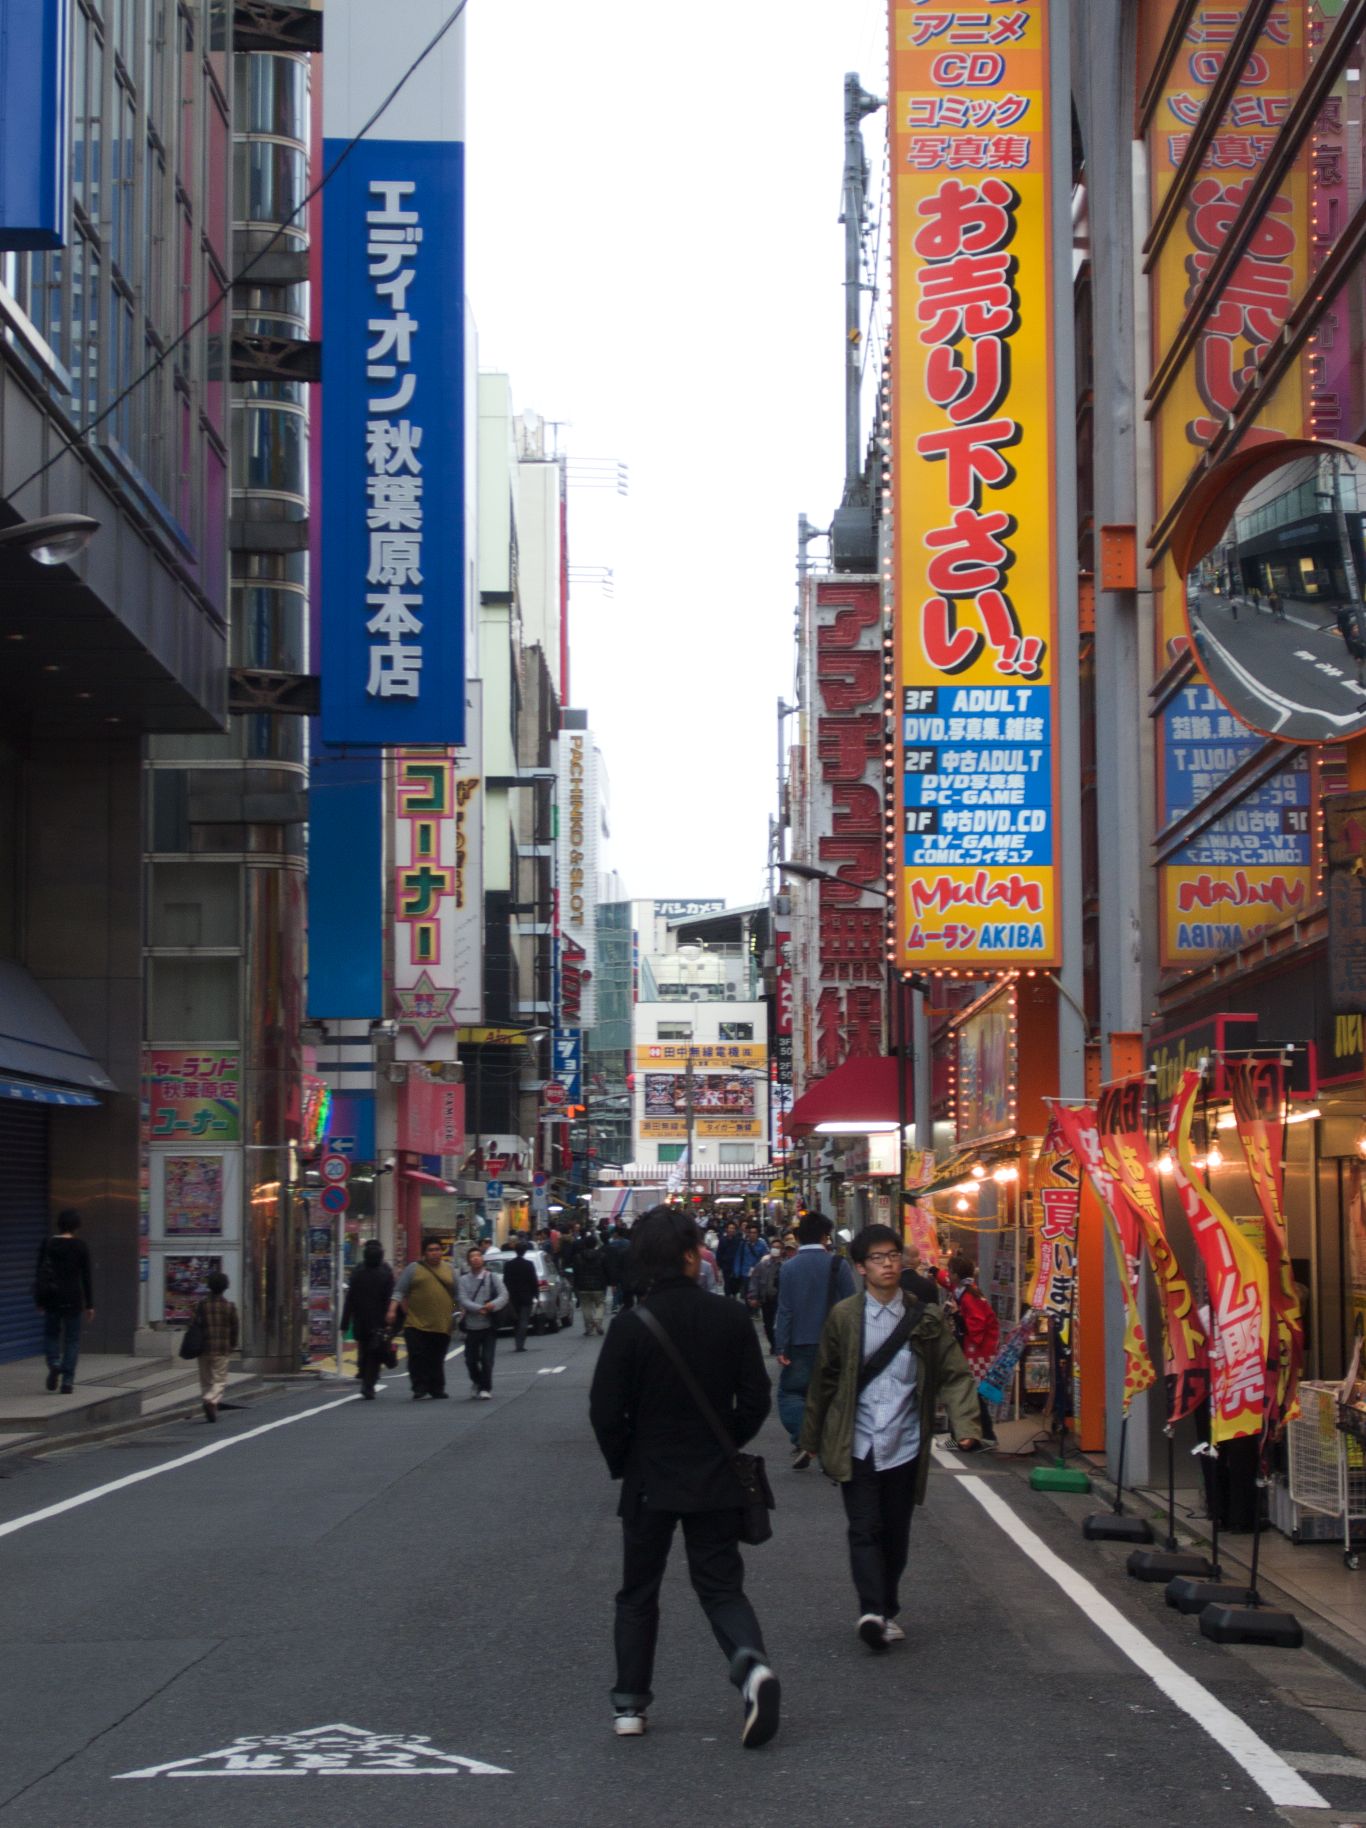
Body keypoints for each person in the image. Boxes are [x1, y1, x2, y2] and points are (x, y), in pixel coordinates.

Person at [589, 1207, 780, 1749]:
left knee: (638, 1592)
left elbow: (604, 1409)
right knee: (720, 1586)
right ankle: (752, 1668)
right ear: (693, 1254)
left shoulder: (631, 1326)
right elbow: (757, 1398)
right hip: (715, 1472)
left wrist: (627, 1459)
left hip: (650, 1477)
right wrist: (728, 1440)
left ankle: (630, 1704)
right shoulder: (729, 1317)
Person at [800, 1224, 982, 1650]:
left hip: (904, 1442)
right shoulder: (845, 1317)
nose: (889, 1264)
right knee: (864, 1527)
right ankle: (872, 1610)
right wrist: (810, 1437)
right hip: (857, 1440)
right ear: (861, 1268)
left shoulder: (926, 1318)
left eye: (893, 1255)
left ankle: (888, 1606)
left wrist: (967, 1425)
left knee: (896, 1533)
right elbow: (824, 1379)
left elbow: (954, 1375)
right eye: (878, 1258)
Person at [774, 1211, 855, 1467]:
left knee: (791, 1394)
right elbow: (851, 1305)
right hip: (833, 1344)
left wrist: (781, 1345)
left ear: (798, 1237)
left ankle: (806, 1438)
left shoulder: (788, 1267)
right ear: (825, 1236)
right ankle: (825, 1440)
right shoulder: (838, 1265)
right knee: (831, 1395)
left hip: (799, 1342)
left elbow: (785, 1310)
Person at [387, 1235, 458, 1400]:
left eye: (438, 1250)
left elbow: (456, 1296)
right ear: (424, 1253)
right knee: (417, 1356)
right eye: (431, 1250)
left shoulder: (450, 1270)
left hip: (442, 1324)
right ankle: (419, 1387)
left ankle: (436, 1388)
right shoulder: (413, 1269)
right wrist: (391, 1310)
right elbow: (399, 1291)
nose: (435, 1253)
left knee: (437, 1358)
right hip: (415, 1323)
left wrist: (456, 1312)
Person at [941, 1251, 1000, 1446]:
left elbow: (976, 1326)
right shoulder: (965, 1290)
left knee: (971, 1393)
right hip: (976, 1350)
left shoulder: (968, 1296)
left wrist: (957, 1315)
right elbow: (945, 1281)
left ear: (957, 1274)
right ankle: (974, 1435)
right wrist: (934, 1271)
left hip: (978, 1352)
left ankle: (981, 1435)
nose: (947, 1274)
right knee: (972, 1393)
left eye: (950, 1271)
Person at [33, 1210, 93, 1394]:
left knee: (51, 1335)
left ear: (59, 1224)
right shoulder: (81, 1246)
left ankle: (54, 1363)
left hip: (52, 1298)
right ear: (77, 1225)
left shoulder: (49, 1244)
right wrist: (90, 1305)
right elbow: (86, 1277)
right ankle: (67, 1381)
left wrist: (39, 1300)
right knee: (72, 1340)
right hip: (73, 1298)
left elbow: (40, 1273)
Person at [341, 1239, 395, 1398]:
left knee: (364, 1349)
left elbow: (350, 1299)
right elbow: (389, 1299)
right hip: (378, 1320)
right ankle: (368, 1383)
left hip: (360, 1320)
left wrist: (344, 1323)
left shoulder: (357, 1274)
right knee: (375, 1353)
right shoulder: (385, 1274)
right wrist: (392, 1320)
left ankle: (363, 1373)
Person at [458, 1244, 508, 1398]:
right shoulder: (463, 1280)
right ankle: (477, 1381)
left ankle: (485, 1388)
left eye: (478, 1256)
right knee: (470, 1360)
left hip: (489, 1325)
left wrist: (492, 1305)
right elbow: (461, 1299)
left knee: (487, 1359)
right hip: (472, 1326)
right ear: (468, 1261)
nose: (475, 1259)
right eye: (472, 1257)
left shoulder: (492, 1277)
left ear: (482, 1259)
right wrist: (477, 1308)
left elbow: (504, 1295)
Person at [192, 1269, 240, 1422]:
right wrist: (232, 1344)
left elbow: (193, 1325)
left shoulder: (201, 1306)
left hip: (203, 1348)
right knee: (219, 1380)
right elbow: (235, 1328)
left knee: (206, 1380)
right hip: (221, 1348)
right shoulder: (229, 1307)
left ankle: (209, 1406)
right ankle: (211, 1399)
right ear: (225, 1287)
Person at [748, 1238, 791, 1352]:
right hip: (766, 1299)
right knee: (768, 1324)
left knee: (779, 1322)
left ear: (782, 1250)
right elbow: (755, 1280)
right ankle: (773, 1343)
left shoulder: (786, 1265)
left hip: (780, 1299)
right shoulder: (762, 1265)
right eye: (773, 1247)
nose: (775, 1250)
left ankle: (779, 1344)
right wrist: (753, 1296)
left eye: (778, 1248)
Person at [502, 1236, 539, 1352]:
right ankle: (520, 1343)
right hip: (526, 1296)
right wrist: (536, 1294)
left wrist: (506, 1294)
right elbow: (533, 1280)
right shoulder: (529, 1264)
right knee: (524, 1320)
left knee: (515, 1320)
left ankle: (517, 1342)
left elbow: (505, 1281)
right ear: (524, 1251)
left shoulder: (508, 1265)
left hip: (513, 1296)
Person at [571, 1229, 609, 1335]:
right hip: (599, 1285)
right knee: (600, 1304)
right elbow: (605, 1270)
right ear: (595, 1244)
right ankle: (597, 1321)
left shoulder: (578, 1257)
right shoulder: (601, 1256)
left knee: (586, 1306)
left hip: (583, 1285)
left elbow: (576, 1272)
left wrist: (575, 1285)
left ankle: (589, 1326)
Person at [732, 1221, 768, 1298]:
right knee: (746, 1296)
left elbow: (765, 1259)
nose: (752, 1234)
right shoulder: (743, 1244)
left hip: (757, 1274)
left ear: (758, 1234)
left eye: (754, 1233)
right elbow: (738, 1257)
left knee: (756, 1296)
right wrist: (737, 1271)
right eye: (751, 1232)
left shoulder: (762, 1245)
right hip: (745, 1273)